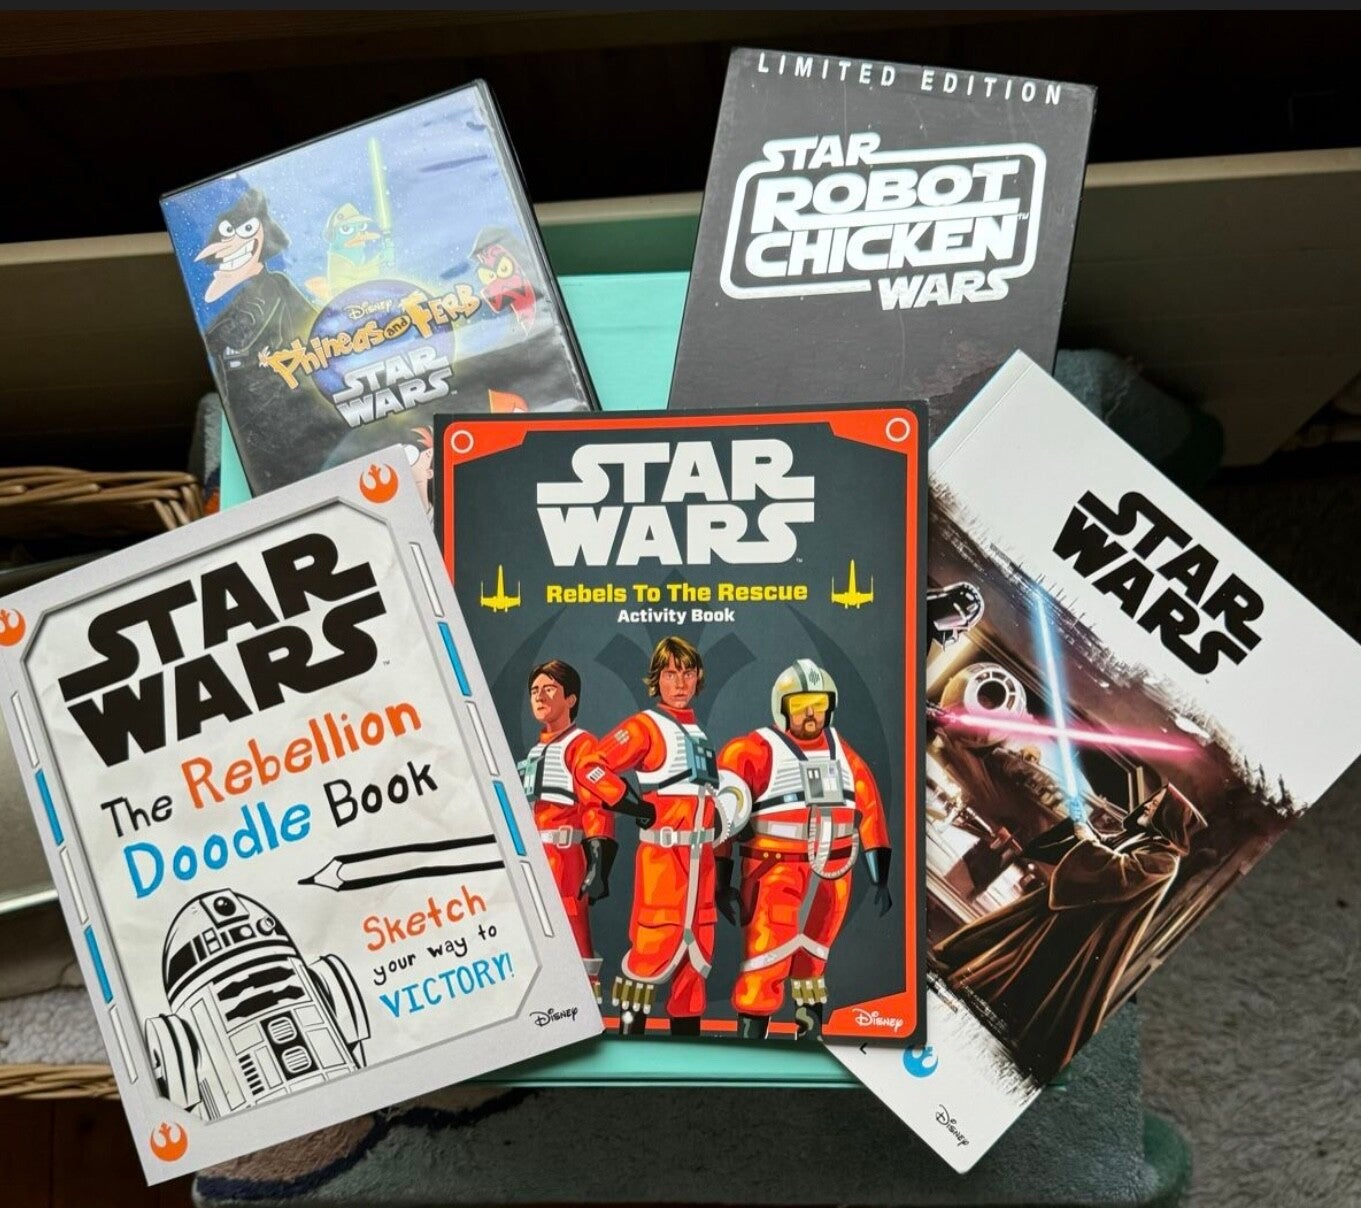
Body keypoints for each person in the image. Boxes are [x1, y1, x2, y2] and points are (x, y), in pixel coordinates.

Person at [933, 783, 1206, 1079]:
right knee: (1015, 941)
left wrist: (1088, 842)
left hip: (1088, 931)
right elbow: (1107, 852)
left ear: (1169, 817)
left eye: (1157, 805)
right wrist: (1086, 833)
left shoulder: (1165, 859)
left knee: (1034, 965)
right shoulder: (1144, 840)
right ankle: (960, 966)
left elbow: (1120, 875)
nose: (1149, 806)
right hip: (1072, 912)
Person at [714, 658, 893, 1040]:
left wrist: (880, 875)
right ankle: (750, 1052)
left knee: (813, 966)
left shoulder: (843, 753)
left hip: (833, 876)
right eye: (799, 704)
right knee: (764, 963)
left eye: (818, 703)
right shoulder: (753, 750)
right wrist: (721, 881)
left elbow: (870, 808)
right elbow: (724, 819)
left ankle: (808, 1043)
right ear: (782, 707)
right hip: (774, 875)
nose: (811, 713)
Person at [573, 636, 738, 1036]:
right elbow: (590, 766)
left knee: (695, 963)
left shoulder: (698, 733)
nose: (679, 683)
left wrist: (722, 874)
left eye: (687, 673)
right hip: (663, 866)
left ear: (698, 678)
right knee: (648, 957)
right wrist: (632, 805)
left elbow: (711, 806)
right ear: (656, 680)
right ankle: (630, 1048)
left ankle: (688, 1058)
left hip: (701, 869)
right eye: (669, 674)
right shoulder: (645, 726)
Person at [517, 660, 615, 1000]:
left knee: (572, 931)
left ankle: (585, 1003)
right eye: (534, 691)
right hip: (536, 857)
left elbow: (596, 804)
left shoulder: (581, 745)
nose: (540, 696)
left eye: (549, 689)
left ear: (570, 698)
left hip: (565, 857)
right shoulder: (537, 751)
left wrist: (598, 862)